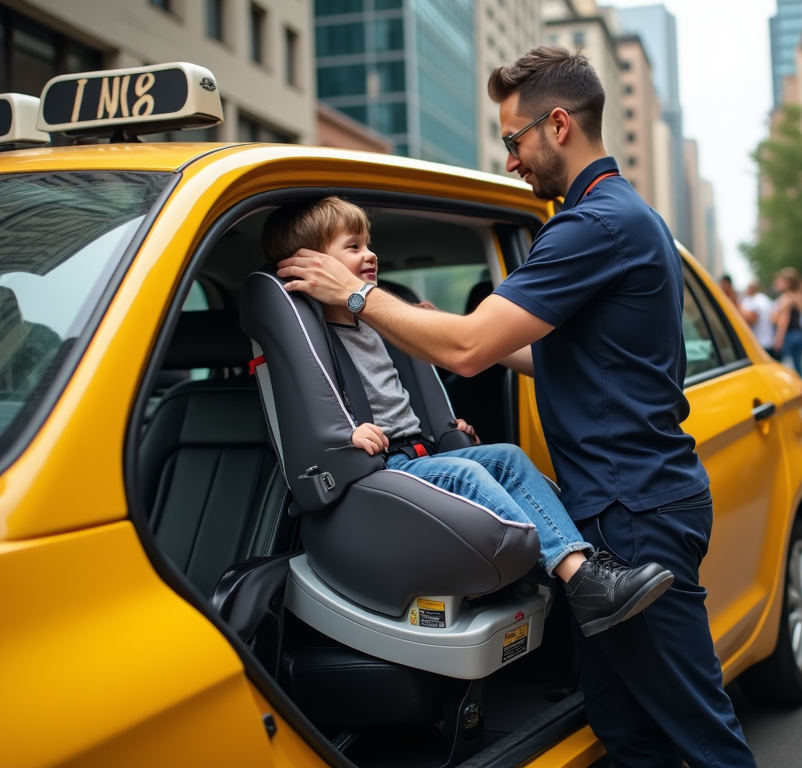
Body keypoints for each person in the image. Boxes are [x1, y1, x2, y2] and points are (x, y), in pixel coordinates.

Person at [276, 46, 757, 768]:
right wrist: (466, 337)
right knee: (629, 732)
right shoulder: (630, 217)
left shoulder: (590, 226)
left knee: (701, 735)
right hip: (626, 507)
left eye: (513, 140)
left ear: (558, 124)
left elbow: (466, 350)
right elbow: (558, 356)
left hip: (632, 513)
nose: (510, 160)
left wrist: (359, 298)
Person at [262, 195, 674, 636]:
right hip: (381, 470)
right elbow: (311, 409)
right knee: (468, 477)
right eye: (353, 247)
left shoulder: (377, 319)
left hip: (417, 456)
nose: (370, 254)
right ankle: (578, 578)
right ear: (312, 267)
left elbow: (404, 391)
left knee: (508, 458)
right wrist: (348, 434)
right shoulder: (311, 337)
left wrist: (444, 430)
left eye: (368, 244)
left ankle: (582, 573)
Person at [770, 267, 802, 378]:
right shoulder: (798, 296)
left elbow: (783, 321)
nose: (777, 283)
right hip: (799, 333)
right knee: (798, 365)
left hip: (789, 335)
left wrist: (778, 340)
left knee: (782, 367)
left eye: (780, 281)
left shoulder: (785, 298)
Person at [740, 279, 776, 355]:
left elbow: (751, 320)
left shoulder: (756, 301)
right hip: (767, 340)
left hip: (760, 342)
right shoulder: (764, 299)